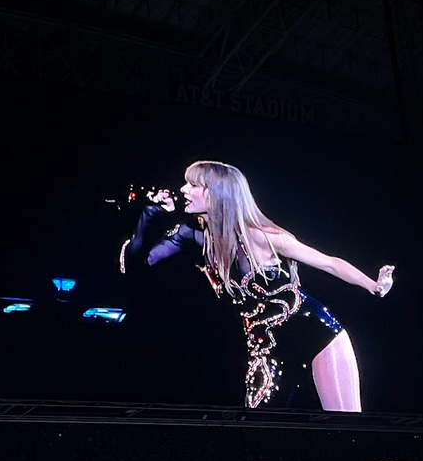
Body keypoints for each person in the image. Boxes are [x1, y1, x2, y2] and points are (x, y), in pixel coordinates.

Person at [120, 161, 393, 411]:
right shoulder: (193, 235)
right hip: (266, 348)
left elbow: (329, 263)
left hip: (317, 334)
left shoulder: (259, 237)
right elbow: (138, 262)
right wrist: (149, 214)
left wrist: (374, 285)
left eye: (194, 185)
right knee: (260, 427)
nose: (183, 189)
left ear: (217, 193)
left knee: (347, 428)